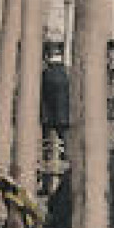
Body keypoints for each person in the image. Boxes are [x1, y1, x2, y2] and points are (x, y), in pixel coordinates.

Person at [39, 48, 71, 194]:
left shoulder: (46, 75)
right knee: (66, 149)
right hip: (65, 117)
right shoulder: (67, 74)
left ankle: (47, 184)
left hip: (48, 118)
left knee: (47, 150)